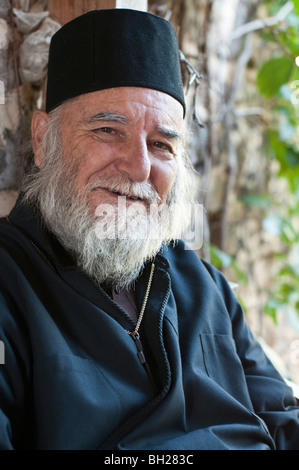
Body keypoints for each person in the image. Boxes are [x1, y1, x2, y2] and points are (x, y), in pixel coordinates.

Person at [0, 8, 298, 451]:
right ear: (44, 140)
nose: (140, 166)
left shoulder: (203, 285)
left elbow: (283, 417)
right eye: (107, 130)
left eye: (161, 144)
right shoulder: (9, 284)